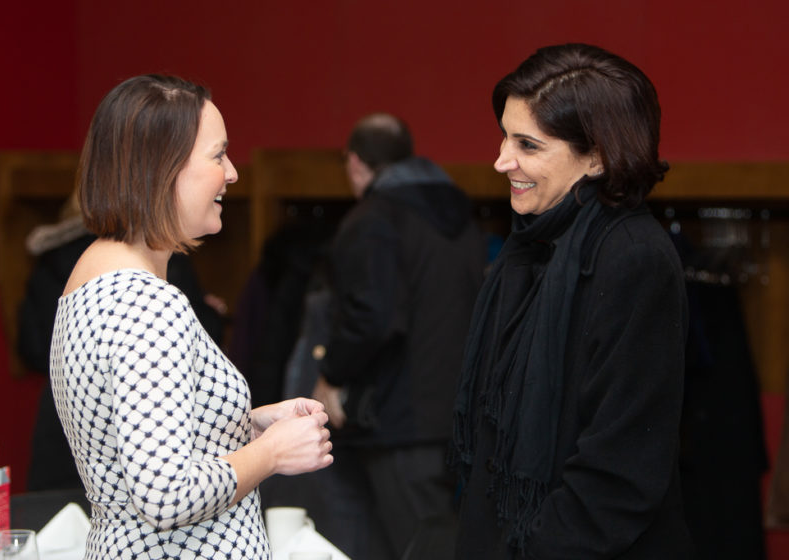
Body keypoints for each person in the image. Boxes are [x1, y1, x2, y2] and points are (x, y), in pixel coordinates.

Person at [49, 74, 333, 559]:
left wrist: (250, 425)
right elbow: (166, 494)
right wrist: (271, 454)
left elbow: (137, 442)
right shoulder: (144, 302)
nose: (232, 173)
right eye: (218, 155)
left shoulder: (94, 277)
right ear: (164, 168)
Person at [449, 43, 692, 559]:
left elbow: (619, 470)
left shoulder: (633, 258)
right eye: (503, 137)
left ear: (599, 156)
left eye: (528, 145)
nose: (501, 161)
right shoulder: (531, 245)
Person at [312, 113, 485, 559]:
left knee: (407, 547)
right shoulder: (463, 218)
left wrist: (330, 374)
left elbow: (372, 317)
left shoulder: (373, 218)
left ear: (354, 161)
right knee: (439, 541)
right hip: (459, 417)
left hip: (397, 417)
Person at [18, 190, 227, 492]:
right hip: (148, 426)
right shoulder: (148, 261)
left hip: (63, 414)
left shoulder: (50, 261)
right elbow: (167, 495)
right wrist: (209, 314)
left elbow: (31, 347)